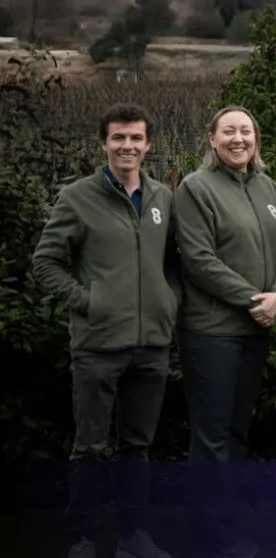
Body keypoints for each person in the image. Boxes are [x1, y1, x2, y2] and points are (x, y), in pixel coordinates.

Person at [32, 104, 180, 558]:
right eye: (118, 138)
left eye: (135, 138)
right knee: (90, 448)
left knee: (137, 446)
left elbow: (172, 262)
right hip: (98, 346)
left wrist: (168, 301)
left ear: (148, 145)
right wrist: (89, 302)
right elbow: (45, 263)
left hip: (151, 346)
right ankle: (82, 537)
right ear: (104, 143)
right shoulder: (77, 197)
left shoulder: (161, 197)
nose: (127, 146)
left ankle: (133, 536)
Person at [174, 105, 276, 558]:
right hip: (212, 333)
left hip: (254, 331)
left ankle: (224, 518)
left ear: (256, 138)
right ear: (211, 138)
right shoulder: (196, 188)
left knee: (237, 430)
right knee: (212, 434)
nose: (238, 139)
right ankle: (211, 534)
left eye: (246, 131)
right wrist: (254, 300)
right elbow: (198, 260)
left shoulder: (269, 188)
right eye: (229, 131)